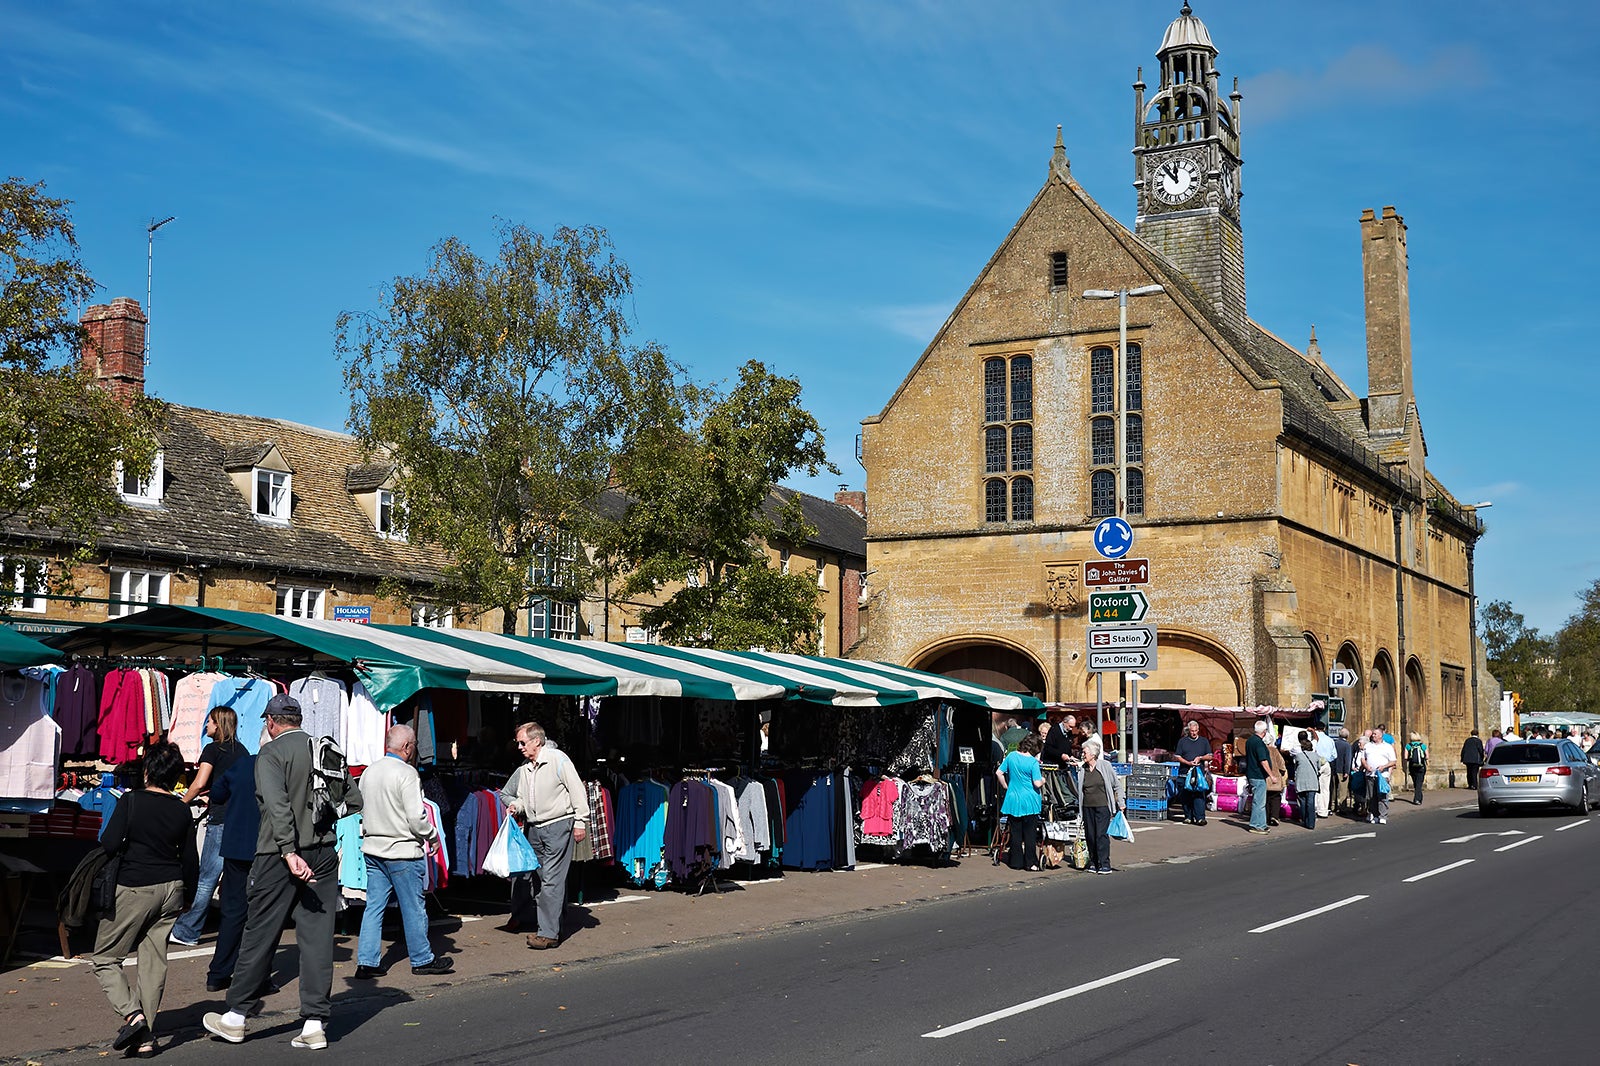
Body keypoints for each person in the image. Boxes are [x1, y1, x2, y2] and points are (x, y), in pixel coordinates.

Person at [204, 694, 361, 1050]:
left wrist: (290, 851)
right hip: (322, 851)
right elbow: (354, 800)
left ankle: (236, 1016)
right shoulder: (324, 749)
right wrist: (319, 819)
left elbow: (276, 808)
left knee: (260, 932)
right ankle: (314, 1023)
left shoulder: (271, 754)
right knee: (318, 937)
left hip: (279, 855)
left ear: (271, 723)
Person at [91, 742, 198, 1058]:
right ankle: (146, 1038)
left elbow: (109, 842)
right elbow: (190, 859)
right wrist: (188, 896)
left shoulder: (131, 800)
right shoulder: (182, 809)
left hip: (137, 885)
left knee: (105, 958)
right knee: (153, 962)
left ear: (148, 771)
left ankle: (132, 1015)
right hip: (172, 889)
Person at [355, 724, 454, 979]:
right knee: (413, 907)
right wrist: (432, 836)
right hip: (401, 851)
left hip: (373, 848)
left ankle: (366, 961)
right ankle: (422, 959)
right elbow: (416, 817)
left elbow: (361, 809)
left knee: (374, 907)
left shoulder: (369, 772)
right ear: (407, 747)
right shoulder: (407, 774)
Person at [501, 722, 590, 950]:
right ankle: (555, 922)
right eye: (518, 742)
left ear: (536, 741)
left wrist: (580, 822)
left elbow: (577, 791)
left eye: (523, 742)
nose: (519, 746)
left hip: (558, 825)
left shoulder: (558, 759)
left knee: (551, 880)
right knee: (544, 880)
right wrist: (516, 806)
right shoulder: (526, 768)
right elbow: (520, 798)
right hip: (534, 828)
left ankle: (548, 934)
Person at [171, 708, 246, 947]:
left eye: (210, 722)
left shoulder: (212, 750)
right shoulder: (242, 751)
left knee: (207, 877)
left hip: (221, 818)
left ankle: (188, 930)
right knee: (233, 877)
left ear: (219, 724)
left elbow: (199, 782)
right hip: (237, 819)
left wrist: (182, 803)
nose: (206, 726)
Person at [203, 750, 269, 994]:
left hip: (236, 846)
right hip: (265, 848)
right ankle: (257, 977)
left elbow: (217, 794)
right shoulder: (278, 764)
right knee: (262, 915)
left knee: (233, 912)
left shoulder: (242, 764)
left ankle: (218, 973)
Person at [997, 733, 1045, 870]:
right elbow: (1037, 783)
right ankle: (1030, 863)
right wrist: (1043, 780)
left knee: (1015, 832)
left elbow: (998, 773)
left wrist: (1006, 786)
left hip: (1013, 799)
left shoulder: (1011, 756)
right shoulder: (1033, 762)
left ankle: (1015, 862)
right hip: (1030, 801)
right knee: (1030, 834)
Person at [1078, 737, 1125, 873]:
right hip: (1087, 807)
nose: (1082, 754)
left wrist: (1121, 802)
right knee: (1090, 835)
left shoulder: (1105, 766)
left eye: (1084, 752)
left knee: (1101, 835)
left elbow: (1117, 785)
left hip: (1103, 806)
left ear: (1093, 754)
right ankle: (1093, 862)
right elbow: (1080, 790)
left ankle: (1104, 863)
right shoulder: (1082, 769)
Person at [1173, 719, 1213, 825]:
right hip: (1184, 773)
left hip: (1198, 774)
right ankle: (1188, 816)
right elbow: (1177, 756)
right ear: (1188, 731)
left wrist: (1200, 758)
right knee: (1185, 796)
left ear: (1198, 730)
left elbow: (1210, 755)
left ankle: (1200, 818)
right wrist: (1188, 762)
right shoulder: (1182, 741)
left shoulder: (1204, 741)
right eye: (1191, 731)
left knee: (1199, 795)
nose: (1194, 733)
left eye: (1195, 731)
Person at [1360, 728, 1397, 825]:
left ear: (1381, 735)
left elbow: (1393, 761)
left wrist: (1384, 767)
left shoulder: (1388, 747)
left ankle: (1382, 816)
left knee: (1382, 796)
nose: (1373, 735)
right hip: (1370, 774)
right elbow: (1363, 758)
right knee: (1371, 797)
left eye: (1375, 734)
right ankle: (1374, 814)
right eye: (1373, 734)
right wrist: (1366, 766)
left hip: (1382, 775)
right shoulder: (1368, 746)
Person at [1291, 735, 1325, 829]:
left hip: (1301, 782)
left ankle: (1304, 820)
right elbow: (1318, 767)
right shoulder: (1316, 756)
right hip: (1312, 782)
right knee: (1310, 802)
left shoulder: (1298, 756)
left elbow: (1296, 767)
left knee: (1302, 802)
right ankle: (1311, 823)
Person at [1245, 720, 1272, 834]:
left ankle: (1261, 824)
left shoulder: (1249, 741)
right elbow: (1263, 760)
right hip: (1258, 775)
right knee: (1259, 802)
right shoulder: (1259, 743)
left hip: (1252, 773)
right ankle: (1256, 825)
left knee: (1258, 801)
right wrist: (1271, 775)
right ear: (1264, 731)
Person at [1264, 727, 1288, 828]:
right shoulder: (1274, 751)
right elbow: (1281, 764)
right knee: (1275, 798)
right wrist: (1282, 772)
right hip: (1275, 778)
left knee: (1266, 799)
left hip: (1265, 778)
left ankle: (1266, 817)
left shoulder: (1262, 750)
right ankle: (1274, 816)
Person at [1331, 728, 1354, 814]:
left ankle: (1333, 805)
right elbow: (1347, 759)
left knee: (1334, 789)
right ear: (1347, 736)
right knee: (1343, 790)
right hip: (1342, 770)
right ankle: (1342, 807)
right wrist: (1347, 771)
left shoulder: (1334, 743)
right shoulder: (1347, 745)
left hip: (1334, 768)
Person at [1404, 732, 1429, 805]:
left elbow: (1405, 757)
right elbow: (1427, 756)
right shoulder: (1423, 745)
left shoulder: (1408, 746)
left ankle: (1418, 797)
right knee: (1419, 783)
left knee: (1416, 783)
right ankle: (1417, 799)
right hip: (1421, 766)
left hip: (1412, 766)